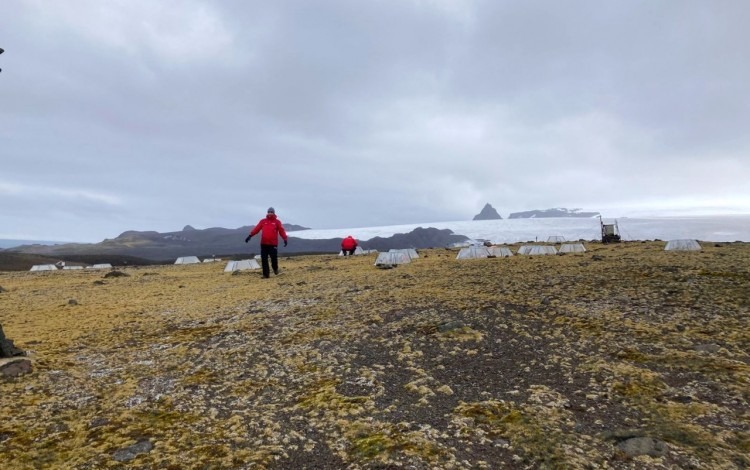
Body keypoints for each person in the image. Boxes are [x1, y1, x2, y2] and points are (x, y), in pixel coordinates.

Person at [245, 207, 288, 278]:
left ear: (274, 213)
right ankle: (266, 275)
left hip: (273, 244)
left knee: (274, 258)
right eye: (269, 212)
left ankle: (275, 268)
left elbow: (281, 231)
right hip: (264, 244)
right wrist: (250, 235)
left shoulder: (277, 222)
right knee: (264, 259)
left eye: (271, 212)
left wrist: (285, 238)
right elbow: (257, 229)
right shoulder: (263, 221)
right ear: (267, 213)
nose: (270, 213)